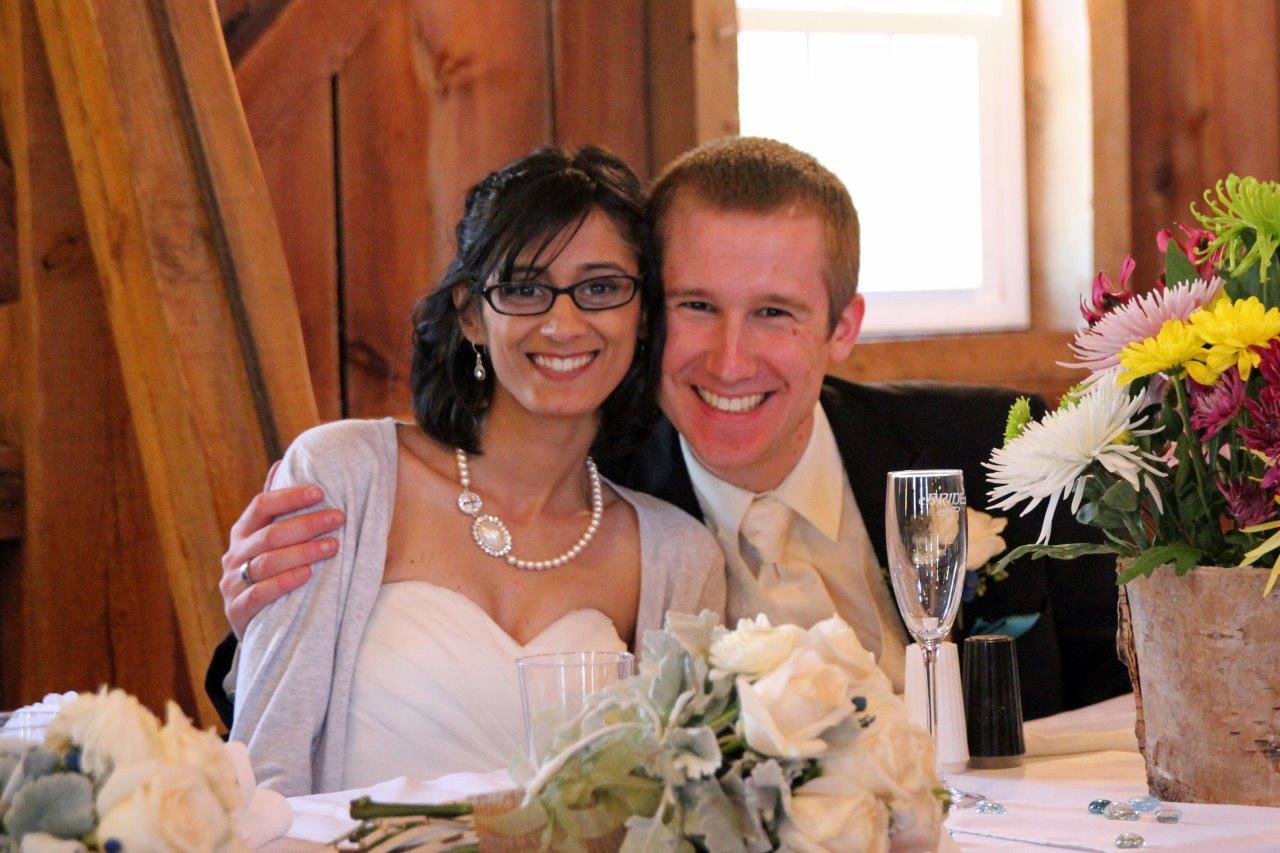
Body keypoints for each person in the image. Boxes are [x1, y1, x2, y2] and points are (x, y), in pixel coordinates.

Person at [216, 137, 1127, 732]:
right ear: (650, 312)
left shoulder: (997, 451)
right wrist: (258, 601)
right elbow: (316, 680)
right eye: (696, 305)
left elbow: (1125, 693)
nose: (730, 361)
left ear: (842, 327)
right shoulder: (602, 492)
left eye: (774, 312)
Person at [228, 147, 725, 796]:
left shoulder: (680, 556)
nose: (563, 323)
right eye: (524, 288)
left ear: (642, 314)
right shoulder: (345, 474)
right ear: (470, 315)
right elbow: (264, 776)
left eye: (601, 288)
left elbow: (674, 811)